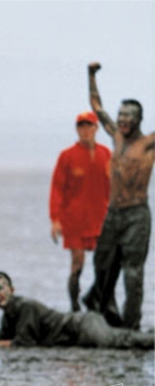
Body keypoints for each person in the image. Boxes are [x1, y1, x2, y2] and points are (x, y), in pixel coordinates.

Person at [81, 62, 155, 330]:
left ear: (139, 119)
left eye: (128, 116)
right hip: (114, 213)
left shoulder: (148, 144)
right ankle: (103, 311)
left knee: (132, 273)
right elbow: (97, 106)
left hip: (136, 214)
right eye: (121, 115)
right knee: (102, 262)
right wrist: (91, 75)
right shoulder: (116, 136)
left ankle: (131, 325)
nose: (123, 120)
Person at [0, 271, 152, 349]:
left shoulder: (25, 306)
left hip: (82, 325)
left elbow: (23, 343)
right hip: (79, 332)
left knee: (118, 340)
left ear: (11, 290)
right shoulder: (9, 315)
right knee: (120, 337)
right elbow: (1, 338)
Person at [49, 111, 112, 312]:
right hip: (74, 220)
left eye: (89, 126)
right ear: (77, 129)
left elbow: (114, 187)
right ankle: (74, 307)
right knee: (77, 263)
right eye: (81, 126)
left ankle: (98, 303)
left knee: (105, 263)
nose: (85, 130)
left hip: (101, 218)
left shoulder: (106, 154)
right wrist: (55, 219)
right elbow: (57, 188)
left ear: (96, 128)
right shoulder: (67, 156)